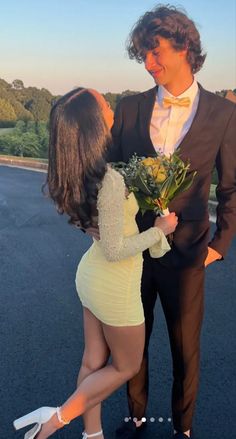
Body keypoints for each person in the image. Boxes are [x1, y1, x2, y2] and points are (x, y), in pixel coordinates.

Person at [13, 88, 178, 439]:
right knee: (126, 365)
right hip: (115, 286)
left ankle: (93, 435)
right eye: (103, 102)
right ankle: (54, 419)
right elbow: (118, 249)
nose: (109, 104)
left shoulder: (78, 174)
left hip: (92, 279)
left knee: (92, 361)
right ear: (93, 122)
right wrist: (160, 229)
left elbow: (104, 233)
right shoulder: (110, 180)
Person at [104, 5, 235, 439]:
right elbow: (113, 177)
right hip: (134, 251)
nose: (148, 63)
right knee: (132, 343)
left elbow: (232, 187)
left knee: (185, 349)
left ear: (184, 47)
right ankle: (137, 416)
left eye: (155, 52)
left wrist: (220, 243)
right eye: (143, 54)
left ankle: (183, 428)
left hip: (189, 253)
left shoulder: (223, 113)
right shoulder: (130, 108)